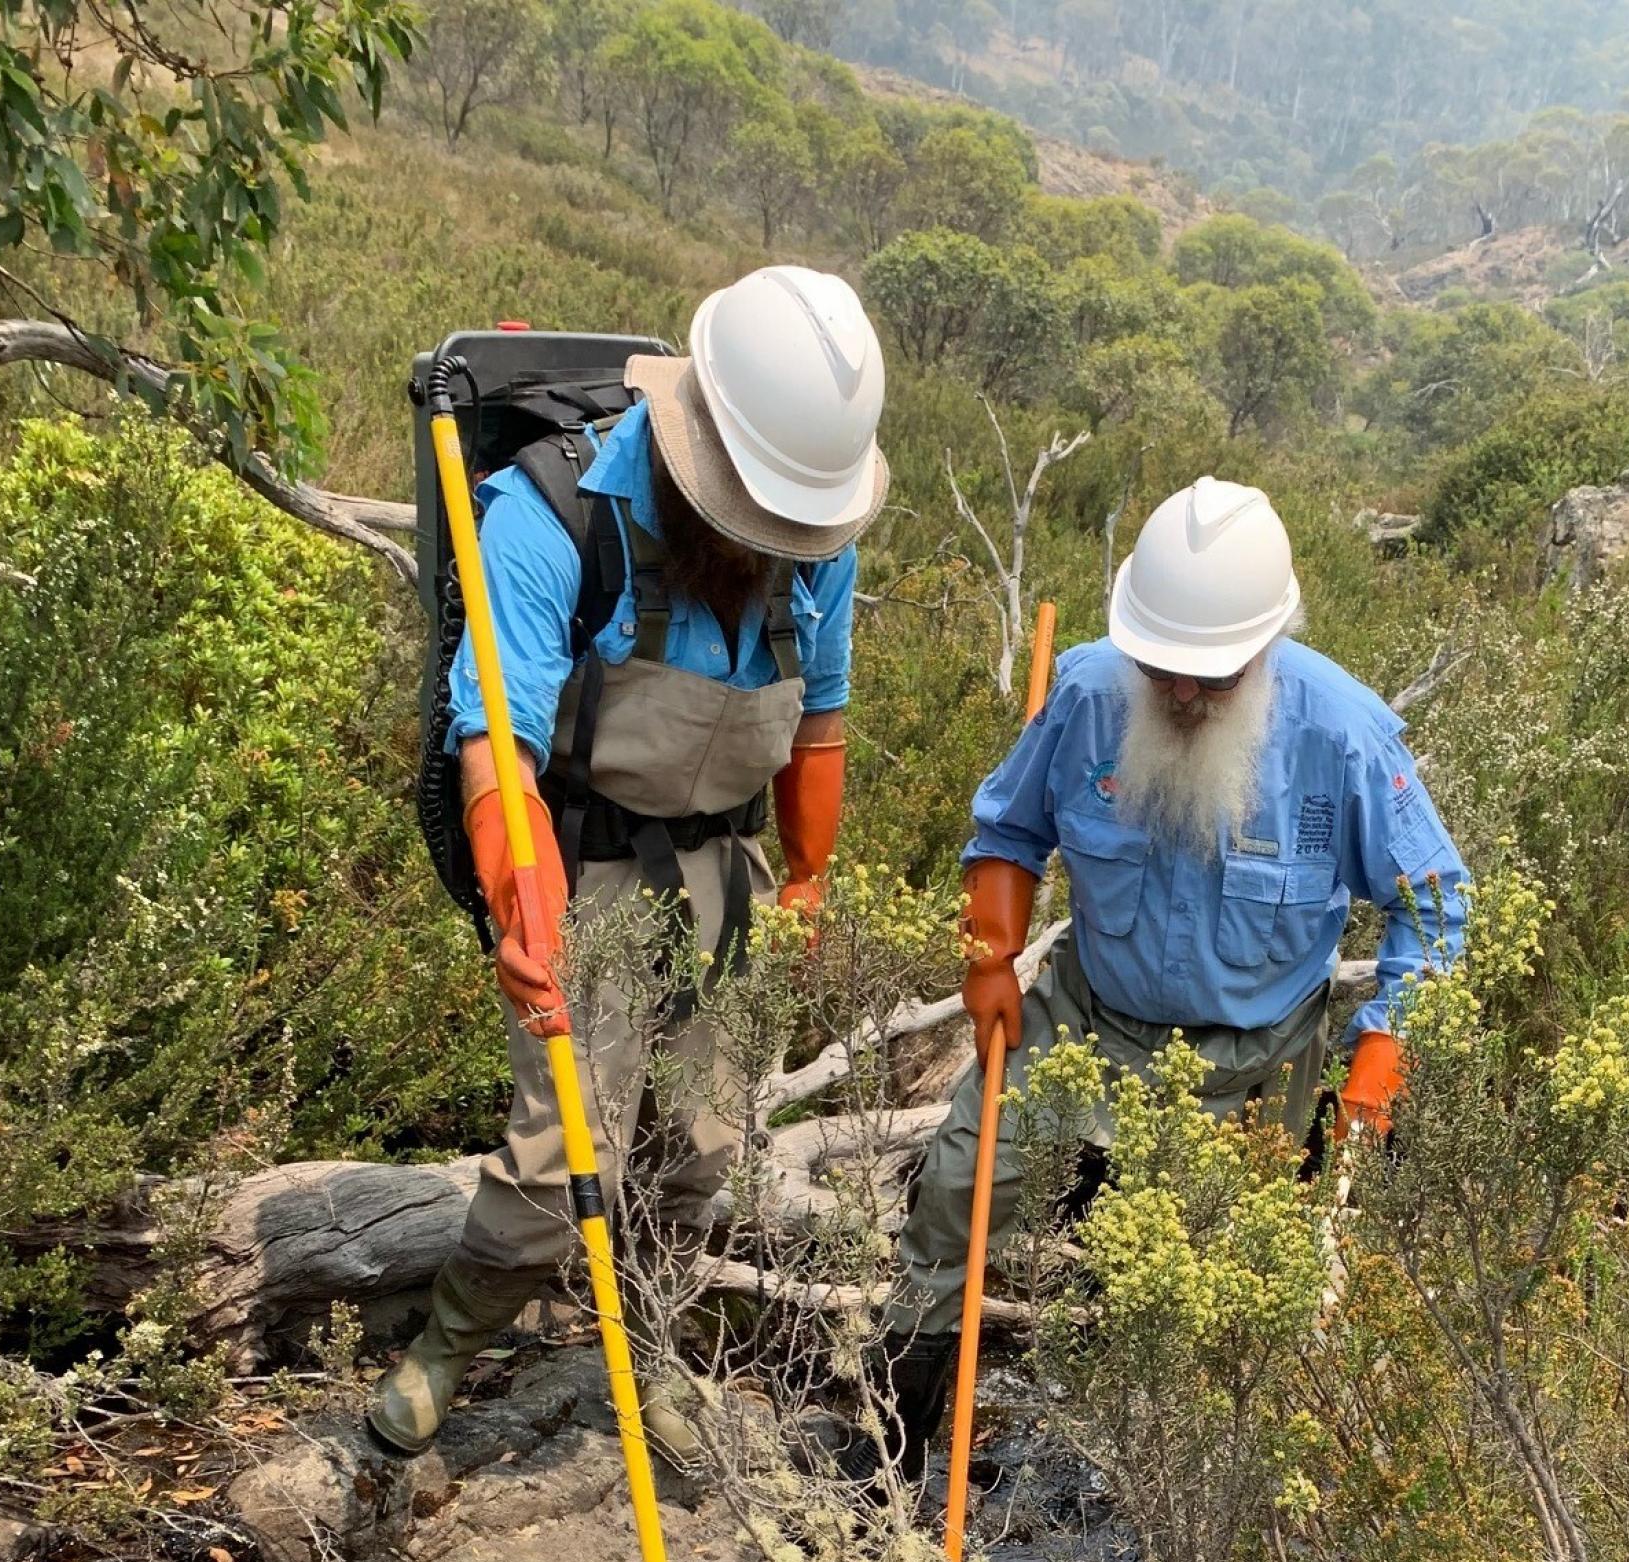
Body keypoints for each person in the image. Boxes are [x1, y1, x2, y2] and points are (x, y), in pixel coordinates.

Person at [369, 265, 889, 1467]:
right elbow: (496, 743)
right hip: (583, 862)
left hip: (730, 872)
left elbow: (821, 719)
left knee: (704, 1142)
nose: (780, 546)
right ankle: (449, 1344)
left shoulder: (817, 547)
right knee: (559, 1156)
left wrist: (805, 878)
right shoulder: (548, 517)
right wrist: (522, 909)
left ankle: (646, 1345)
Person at [878, 474, 1471, 1472]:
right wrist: (987, 958)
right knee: (952, 1190)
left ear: (1266, 646)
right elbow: (1007, 829)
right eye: (1163, 670)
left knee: (1199, 1294)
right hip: (1081, 1019)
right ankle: (892, 1437)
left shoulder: (1342, 737)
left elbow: (1431, 907)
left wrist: (1380, 1058)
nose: (1184, 693)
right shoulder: (1082, 691)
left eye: (1212, 676)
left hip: (1251, 1064)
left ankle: (1145, 1497)